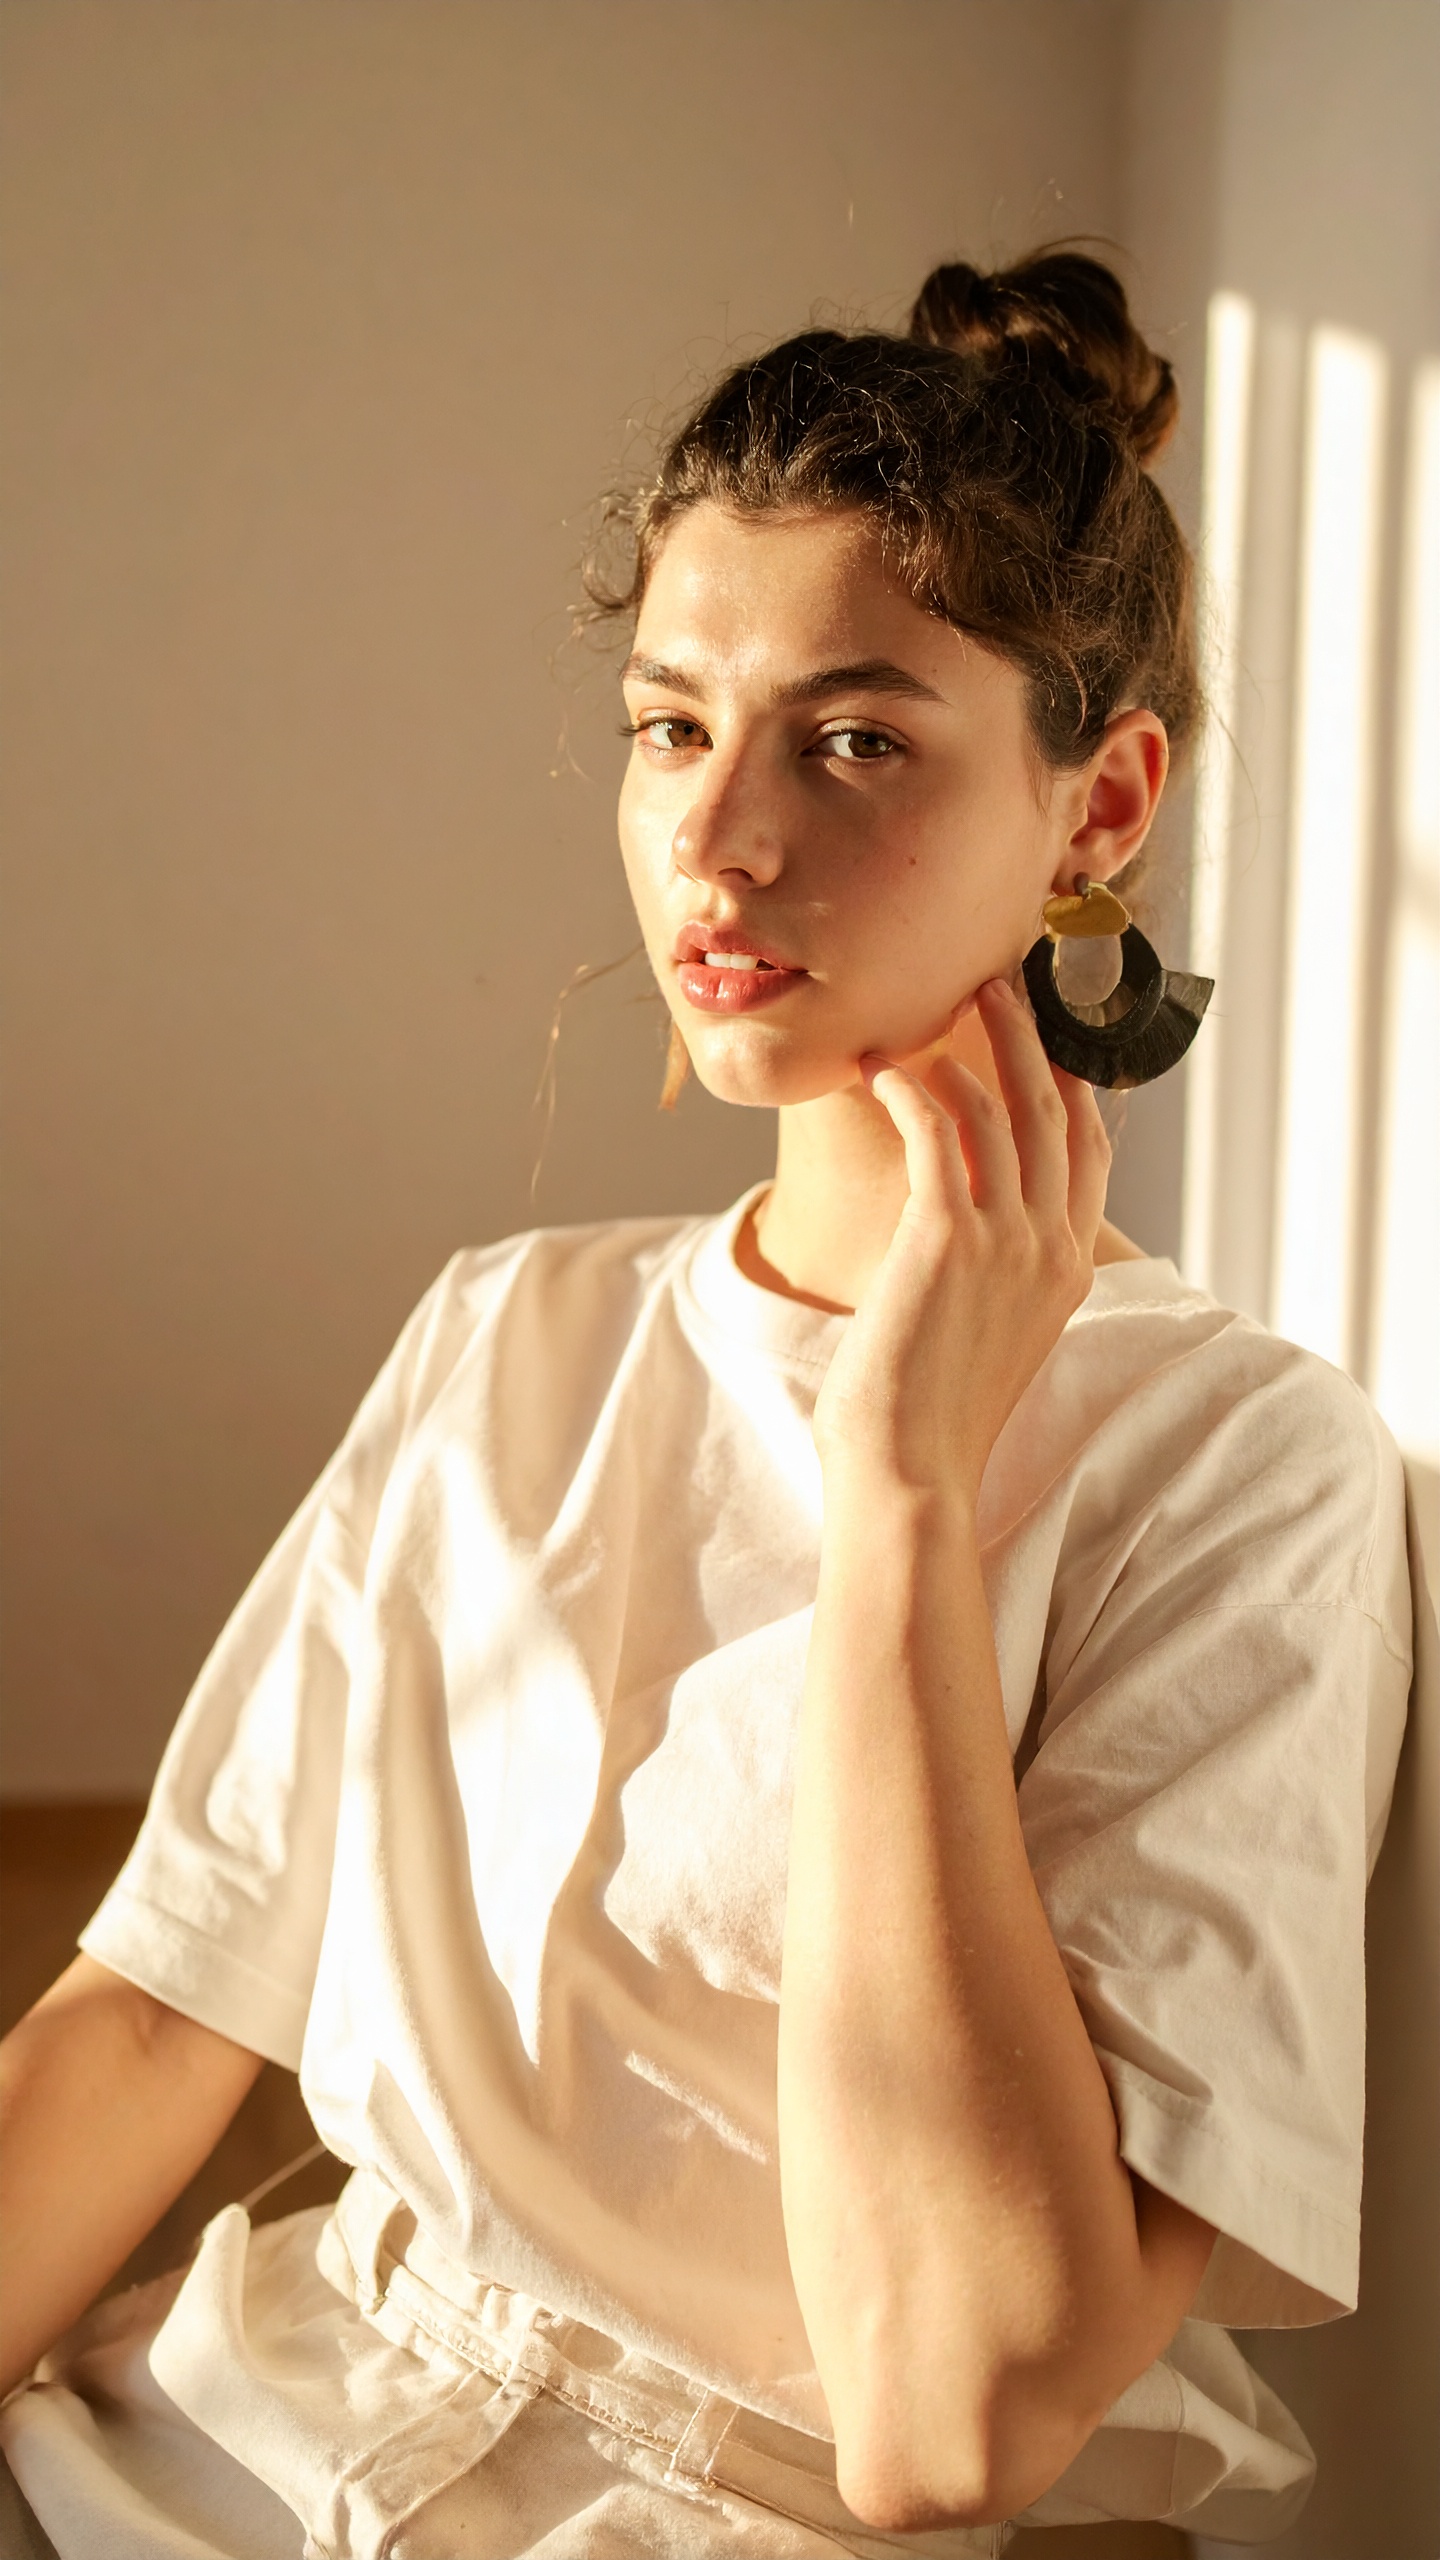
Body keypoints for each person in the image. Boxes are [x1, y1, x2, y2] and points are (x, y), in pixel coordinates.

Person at [0, 253, 1412, 2560]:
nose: (718, 840)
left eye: (855, 737)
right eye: (674, 724)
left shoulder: (1246, 1472)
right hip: (201, 2430)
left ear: (1102, 801)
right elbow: (152, 2024)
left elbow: (953, 2415)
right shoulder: (510, 1332)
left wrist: (900, 1500)